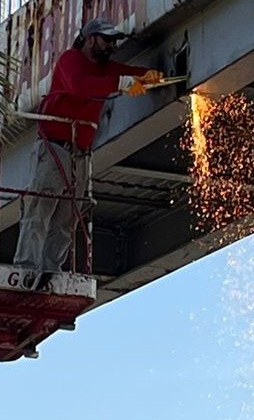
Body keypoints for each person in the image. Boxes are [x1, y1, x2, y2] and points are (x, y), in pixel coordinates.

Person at [15, 19, 162, 280]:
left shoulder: (105, 69)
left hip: (80, 152)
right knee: (40, 209)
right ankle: (26, 268)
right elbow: (79, 86)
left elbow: (127, 72)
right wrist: (122, 83)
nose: (111, 45)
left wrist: (149, 77)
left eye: (113, 41)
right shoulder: (71, 60)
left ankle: (50, 271)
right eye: (106, 40)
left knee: (67, 217)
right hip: (54, 147)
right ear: (90, 38)